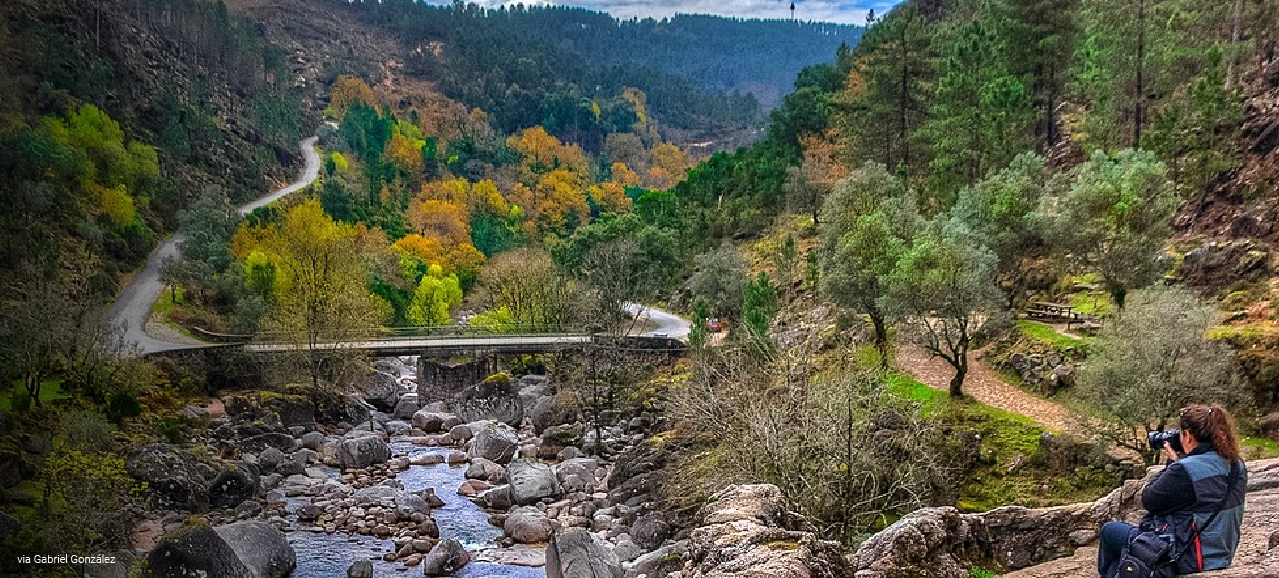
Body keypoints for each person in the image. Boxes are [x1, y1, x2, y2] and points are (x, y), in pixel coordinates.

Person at [1097, 403, 1248, 577]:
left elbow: (1149, 499)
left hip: (1186, 556)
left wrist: (1172, 463)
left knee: (1110, 531)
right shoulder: (1237, 465)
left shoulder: (1186, 470)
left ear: (1189, 436)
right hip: (1220, 554)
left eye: (1181, 434)